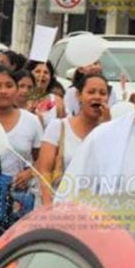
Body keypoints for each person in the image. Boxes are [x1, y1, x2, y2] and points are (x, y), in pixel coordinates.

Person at [36, 73, 109, 205]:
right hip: (59, 207)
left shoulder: (110, 131)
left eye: (103, 93)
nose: (97, 97)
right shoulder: (58, 127)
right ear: (79, 96)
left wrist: (107, 127)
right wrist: (48, 206)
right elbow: (44, 171)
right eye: (91, 92)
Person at [0, 67, 44, 210]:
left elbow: (42, 160)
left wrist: (30, 173)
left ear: (16, 89)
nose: (3, 91)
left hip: (18, 202)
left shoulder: (32, 121)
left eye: (9, 85)